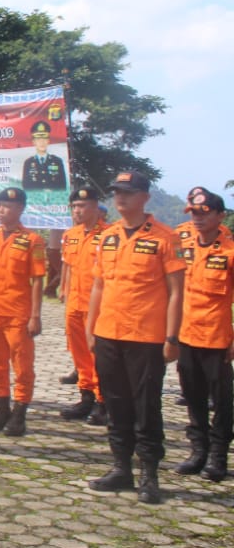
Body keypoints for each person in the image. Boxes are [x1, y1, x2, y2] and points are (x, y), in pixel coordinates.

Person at [85, 170, 184, 504]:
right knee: (115, 403)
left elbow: (175, 292)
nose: (120, 198)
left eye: (127, 192)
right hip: (109, 333)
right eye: (116, 192)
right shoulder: (108, 237)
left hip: (146, 336)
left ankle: (149, 473)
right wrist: (91, 325)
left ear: (144, 196)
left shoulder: (165, 238)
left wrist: (172, 337)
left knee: (146, 406)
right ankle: (120, 467)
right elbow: (99, 284)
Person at [173, 188, 233, 482]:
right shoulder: (184, 248)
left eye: (204, 213)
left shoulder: (230, 252)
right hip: (186, 334)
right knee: (193, 397)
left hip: (216, 338)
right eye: (194, 214)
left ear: (220, 216)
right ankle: (198, 451)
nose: (197, 218)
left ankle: (218, 456)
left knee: (222, 400)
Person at [0, 188, 45, 437]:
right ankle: (1, 409)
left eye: (6, 206)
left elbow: (37, 280)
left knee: (22, 366)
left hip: (18, 313)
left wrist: (35, 315)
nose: (0, 211)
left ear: (20, 209)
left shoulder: (32, 240)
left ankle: (19, 414)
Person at [59, 187, 109, 424]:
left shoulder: (110, 235)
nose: (78, 211)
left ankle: (103, 402)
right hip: (75, 304)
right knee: (80, 355)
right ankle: (85, 396)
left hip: (97, 306)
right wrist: (64, 291)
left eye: (83, 206)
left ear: (96, 207)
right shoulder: (71, 234)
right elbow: (69, 266)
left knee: (97, 354)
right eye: (74, 207)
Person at [20, 120, 67, 190]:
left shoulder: (57, 161)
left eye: (44, 139)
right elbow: (25, 186)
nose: (42, 143)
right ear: (34, 142)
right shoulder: (28, 163)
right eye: (38, 140)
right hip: (34, 199)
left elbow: (62, 185)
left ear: (48, 141)